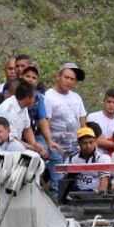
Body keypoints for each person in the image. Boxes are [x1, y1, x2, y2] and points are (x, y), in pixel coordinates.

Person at [43, 63, 88, 191]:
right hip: (57, 147)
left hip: (75, 148)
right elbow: (47, 122)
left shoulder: (76, 97)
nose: (69, 82)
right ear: (58, 76)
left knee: (74, 183)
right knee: (58, 183)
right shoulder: (49, 96)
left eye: (72, 79)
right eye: (66, 77)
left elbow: (82, 121)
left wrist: (85, 143)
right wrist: (50, 143)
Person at [0, 78, 44, 157]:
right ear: (27, 98)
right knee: (30, 156)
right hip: (3, 146)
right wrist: (33, 148)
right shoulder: (8, 111)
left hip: (16, 143)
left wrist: (34, 144)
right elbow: (12, 139)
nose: (35, 100)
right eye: (34, 97)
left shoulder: (23, 105)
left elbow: (27, 128)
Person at [65, 126, 110, 192]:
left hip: (95, 193)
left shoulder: (103, 158)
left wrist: (101, 198)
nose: (88, 146)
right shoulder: (71, 158)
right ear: (79, 143)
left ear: (95, 141)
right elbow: (63, 177)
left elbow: (104, 179)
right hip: (76, 193)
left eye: (91, 142)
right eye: (85, 143)